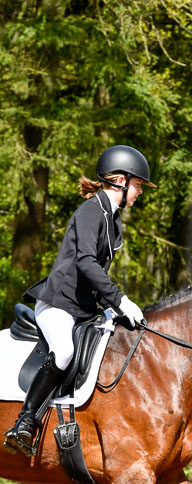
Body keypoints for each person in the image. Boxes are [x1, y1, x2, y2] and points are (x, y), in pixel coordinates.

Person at [3, 144, 156, 457]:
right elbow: (86, 263)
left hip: (84, 310)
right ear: (121, 181)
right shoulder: (89, 212)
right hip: (57, 305)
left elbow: (96, 276)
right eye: (138, 185)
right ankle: (25, 421)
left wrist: (115, 311)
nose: (140, 192)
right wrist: (121, 300)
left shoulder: (112, 222)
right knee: (64, 352)